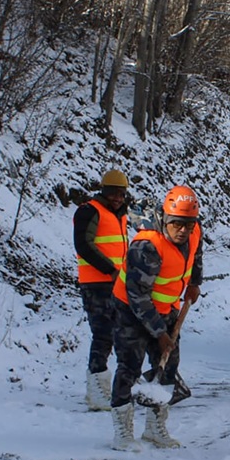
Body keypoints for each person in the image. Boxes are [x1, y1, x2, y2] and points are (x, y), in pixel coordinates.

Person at [110, 186, 203, 451]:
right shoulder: (146, 247)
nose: (183, 230)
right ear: (165, 219)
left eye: (188, 224)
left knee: (169, 365)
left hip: (167, 306)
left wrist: (195, 282)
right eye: (176, 224)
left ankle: (155, 427)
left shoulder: (195, 231)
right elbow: (138, 296)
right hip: (131, 309)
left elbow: (196, 254)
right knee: (129, 365)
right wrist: (160, 334)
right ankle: (123, 432)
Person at [72, 169, 130, 411]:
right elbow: (83, 244)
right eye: (112, 193)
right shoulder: (90, 211)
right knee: (103, 334)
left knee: (118, 334)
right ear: (103, 190)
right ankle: (96, 388)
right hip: (96, 284)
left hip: (117, 284)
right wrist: (110, 269)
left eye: (121, 193)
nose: (117, 197)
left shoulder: (120, 215)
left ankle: (106, 386)